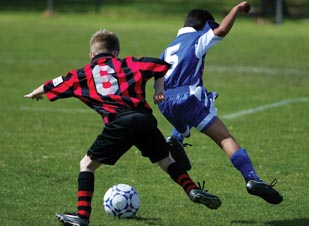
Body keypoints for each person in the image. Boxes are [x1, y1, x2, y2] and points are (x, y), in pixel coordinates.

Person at [24, 29, 221, 226]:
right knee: (166, 160)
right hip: (144, 119)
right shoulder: (129, 63)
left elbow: (56, 82)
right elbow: (160, 66)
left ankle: (82, 216)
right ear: (116, 53)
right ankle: (192, 189)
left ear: (91, 55)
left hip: (118, 122)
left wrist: (36, 92)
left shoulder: (82, 74)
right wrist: (159, 90)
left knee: (87, 165)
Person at [158, 1, 283, 205]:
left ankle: (175, 138)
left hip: (164, 102)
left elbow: (158, 76)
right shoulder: (197, 39)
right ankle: (251, 178)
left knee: (189, 109)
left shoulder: (169, 46)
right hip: (187, 97)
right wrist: (236, 9)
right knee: (225, 137)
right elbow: (222, 30)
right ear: (204, 25)